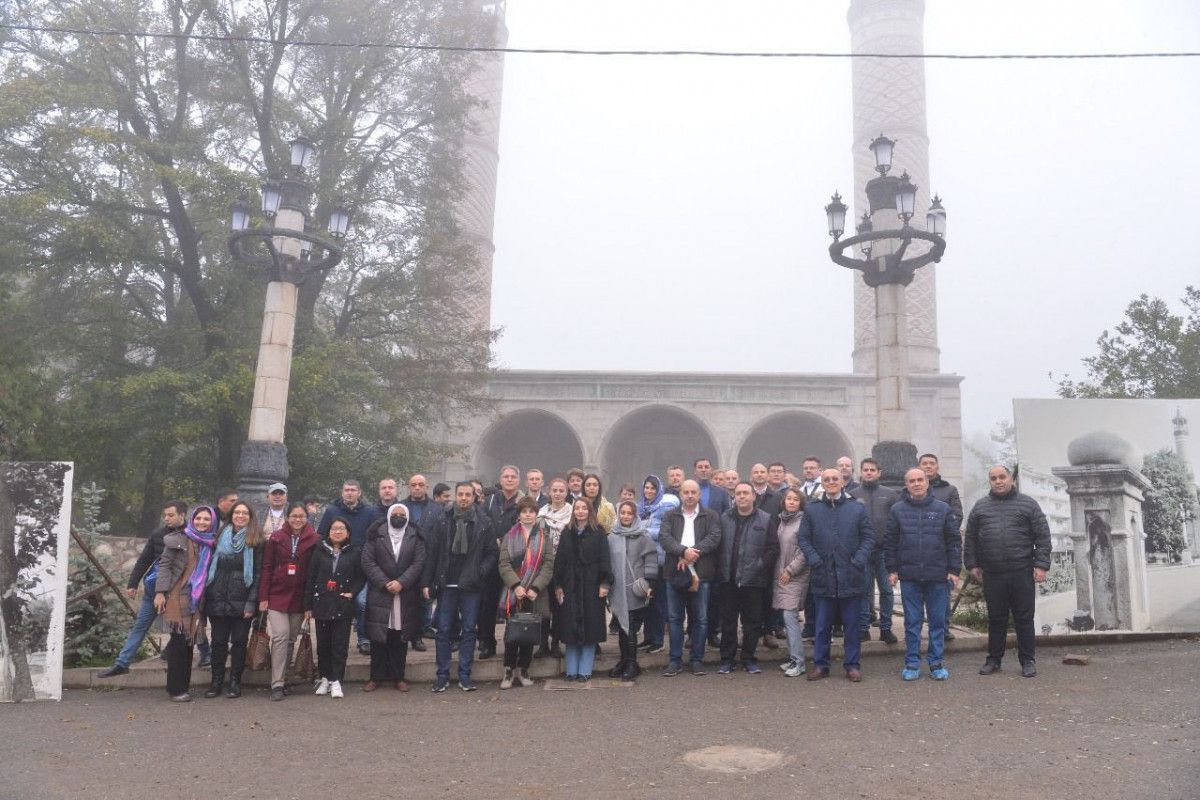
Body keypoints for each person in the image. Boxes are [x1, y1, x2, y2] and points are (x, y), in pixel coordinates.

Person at [964, 465, 1051, 678]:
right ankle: (994, 660)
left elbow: (1042, 537)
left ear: (1011, 479)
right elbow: (970, 539)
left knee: (1024, 618)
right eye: (993, 478)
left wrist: (1040, 565)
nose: (998, 481)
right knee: (996, 619)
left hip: (1022, 572)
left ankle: (1027, 660)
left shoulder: (1028, 504)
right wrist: (972, 564)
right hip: (993, 574)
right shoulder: (981, 507)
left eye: (1002, 477)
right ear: (990, 482)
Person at [886, 468, 962, 681]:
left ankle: (936, 663)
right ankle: (912, 663)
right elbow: (890, 542)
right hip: (909, 576)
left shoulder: (943, 509)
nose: (917, 484)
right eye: (912, 481)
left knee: (938, 622)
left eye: (920, 480)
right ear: (906, 485)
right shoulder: (897, 510)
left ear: (927, 483)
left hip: (937, 576)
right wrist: (891, 570)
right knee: (912, 622)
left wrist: (954, 570)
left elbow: (954, 541)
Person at [798, 469, 874, 682]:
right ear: (822, 483)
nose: (831, 482)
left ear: (842, 482)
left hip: (851, 575)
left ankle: (852, 665)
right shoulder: (812, 509)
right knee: (822, 627)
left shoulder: (856, 508)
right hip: (824, 575)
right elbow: (804, 538)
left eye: (835, 479)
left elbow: (868, 537)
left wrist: (859, 560)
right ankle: (821, 665)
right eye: (827, 480)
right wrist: (814, 559)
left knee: (852, 626)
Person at [99, 501, 187, 678]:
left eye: (171, 515)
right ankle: (122, 663)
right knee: (139, 626)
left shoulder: (190, 536)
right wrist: (133, 583)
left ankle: (205, 656)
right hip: (152, 591)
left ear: (182, 515)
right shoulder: (158, 535)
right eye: (165, 515)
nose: (166, 518)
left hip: (177, 593)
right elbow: (144, 560)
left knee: (184, 628)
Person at [425, 482, 498, 692]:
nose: (464, 498)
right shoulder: (443, 519)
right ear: (455, 496)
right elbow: (433, 551)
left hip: (471, 584)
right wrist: (427, 582)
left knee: (468, 630)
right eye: (460, 494)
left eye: (468, 494)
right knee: (444, 630)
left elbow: (492, 552)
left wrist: (480, 571)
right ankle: (442, 675)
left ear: (474, 497)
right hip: (447, 583)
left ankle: (465, 675)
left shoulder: (484, 522)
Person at [658, 479, 722, 676]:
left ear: (699, 495)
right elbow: (664, 537)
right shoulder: (670, 515)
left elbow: (714, 538)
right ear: (680, 494)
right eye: (686, 492)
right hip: (674, 572)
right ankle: (675, 660)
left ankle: (697, 660)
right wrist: (683, 551)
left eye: (693, 492)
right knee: (675, 618)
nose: (690, 495)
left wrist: (694, 553)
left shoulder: (711, 515)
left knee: (701, 619)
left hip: (701, 573)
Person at [154, 505, 217, 701]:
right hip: (178, 595)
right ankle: (176, 689)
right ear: (192, 519)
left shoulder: (212, 543)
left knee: (189, 642)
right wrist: (160, 592)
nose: (202, 522)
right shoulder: (179, 539)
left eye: (207, 519)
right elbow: (165, 566)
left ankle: (182, 685)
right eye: (198, 518)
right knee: (180, 641)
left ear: (212, 522)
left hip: (197, 599)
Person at [714, 482, 778, 675]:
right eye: (738, 493)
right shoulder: (724, 518)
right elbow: (717, 546)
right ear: (734, 497)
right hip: (728, 580)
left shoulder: (765, 520)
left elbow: (773, 548)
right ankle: (727, 660)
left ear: (753, 497)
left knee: (752, 623)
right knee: (728, 623)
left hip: (754, 581)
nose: (742, 496)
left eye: (745, 493)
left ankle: (749, 659)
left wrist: (759, 566)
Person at [361, 504, 426, 693]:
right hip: (380, 592)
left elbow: (419, 562)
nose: (398, 517)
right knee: (378, 636)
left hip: (405, 594)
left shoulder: (416, 535)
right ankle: (376, 677)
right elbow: (367, 561)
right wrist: (385, 582)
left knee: (400, 637)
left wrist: (402, 582)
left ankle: (399, 676)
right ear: (389, 516)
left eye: (402, 514)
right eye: (395, 514)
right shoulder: (376, 534)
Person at [258, 502, 319, 701]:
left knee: (291, 639)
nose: (297, 519)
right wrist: (264, 597)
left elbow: (314, 572)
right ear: (288, 517)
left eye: (301, 516)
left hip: (300, 597)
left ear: (306, 518)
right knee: (281, 636)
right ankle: (276, 684)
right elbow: (267, 567)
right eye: (294, 515)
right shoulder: (277, 538)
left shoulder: (315, 539)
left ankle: (283, 679)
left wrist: (310, 604)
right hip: (277, 594)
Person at [203, 501, 263, 699]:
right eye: (237, 512)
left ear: (250, 516)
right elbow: (210, 565)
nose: (240, 516)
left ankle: (235, 682)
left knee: (239, 642)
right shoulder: (220, 535)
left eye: (245, 513)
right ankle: (216, 681)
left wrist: (251, 603)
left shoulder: (257, 539)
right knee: (218, 643)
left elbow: (257, 575)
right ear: (231, 515)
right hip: (217, 596)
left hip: (242, 599)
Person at [497, 497, 555, 689]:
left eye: (531, 511)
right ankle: (508, 670)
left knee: (529, 633)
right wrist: (516, 585)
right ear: (519, 514)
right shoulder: (510, 536)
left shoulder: (544, 536)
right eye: (524, 511)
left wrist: (535, 587)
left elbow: (548, 564)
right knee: (512, 633)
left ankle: (523, 670)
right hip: (515, 592)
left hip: (534, 593)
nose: (528, 515)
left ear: (536, 514)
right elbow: (504, 564)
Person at [552, 498, 613, 682]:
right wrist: (558, 584)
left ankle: (585, 670)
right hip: (570, 586)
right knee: (570, 629)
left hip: (591, 585)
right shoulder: (567, 532)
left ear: (589, 511)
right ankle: (571, 670)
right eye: (577, 508)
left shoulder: (599, 533)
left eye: (583, 508)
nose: (580, 511)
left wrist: (605, 583)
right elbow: (560, 561)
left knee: (590, 628)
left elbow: (605, 560)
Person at [303, 518, 364, 699]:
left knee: (339, 645)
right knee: (323, 645)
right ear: (328, 531)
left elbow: (361, 577)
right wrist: (308, 605)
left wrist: (352, 593)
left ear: (348, 532)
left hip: (342, 605)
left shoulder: (354, 552)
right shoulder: (319, 550)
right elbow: (310, 578)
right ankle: (324, 678)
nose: (338, 532)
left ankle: (337, 680)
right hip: (322, 604)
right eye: (334, 528)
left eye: (341, 529)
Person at [317, 479, 376, 655]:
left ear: (359, 493)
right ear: (342, 492)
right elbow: (321, 535)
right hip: (335, 564)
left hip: (359, 565)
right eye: (346, 490)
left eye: (353, 490)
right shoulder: (331, 511)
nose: (349, 493)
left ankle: (363, 638)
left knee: (361, 602)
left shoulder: (369, 512)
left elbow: (373, 537)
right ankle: (330, 642)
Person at [607, 500, 657, 681]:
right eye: (623, 513)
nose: (626, 516)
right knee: (621, 627)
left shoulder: (643, 536)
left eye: (630, 513)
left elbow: (651, 560)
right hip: (618, 591)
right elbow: (608, 563)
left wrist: (649, 584)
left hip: (636, 591)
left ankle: (632, 663)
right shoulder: (611, 536)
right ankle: (624, 660)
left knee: (631, 629)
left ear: (635, 516)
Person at [919, 453, 965, 641]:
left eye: (932, 463)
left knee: (942, 593)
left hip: (941, 550)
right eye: (924, 464)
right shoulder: (912, 491)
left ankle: (943, 628)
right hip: (917, 549)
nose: (928, 466)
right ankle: (916, 630)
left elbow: (957, 516)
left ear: (937, 467)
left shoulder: (949, 490)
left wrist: (936, 531)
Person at [854, 458, 900, 645]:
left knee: (886, 591)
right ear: (861, 472)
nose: (869, 472)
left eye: (873, 469)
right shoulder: (852, 495)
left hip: (884, 551)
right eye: (866, 469)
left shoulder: (890, 495)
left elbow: (897, 522)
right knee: (864, 591)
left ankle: (886, 628)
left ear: (879, 472)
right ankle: (863, 628)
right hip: (862, 551)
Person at [481, 465, 523, 660]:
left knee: (511, 605)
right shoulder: (489, 501)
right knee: (487, 605)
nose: (509, 480)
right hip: (491, 560)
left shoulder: (523, 502)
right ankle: (487, 643)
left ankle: (511, 644)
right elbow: (482, 525)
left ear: (518, 480)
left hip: (513, 563)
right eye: (506, 476)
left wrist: (505, 542)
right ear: (500, 478)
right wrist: (493, 542)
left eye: (513, 477)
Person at [636, 475, 679, 654]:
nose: (649, 491)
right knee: (646, 601)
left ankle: (658, 640)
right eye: (646, 488)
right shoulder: (642, 507)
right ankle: (648, 637)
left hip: (660, 560)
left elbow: (664, 532)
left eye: (653, 488)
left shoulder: (665, 508)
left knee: (658, 601)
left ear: (659, 489)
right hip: (643, 559)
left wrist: (643, 530)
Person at [771, 487, 810, 677]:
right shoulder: (783, 520)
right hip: (782, 574)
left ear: (801, 502)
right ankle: (793, 658)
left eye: (796, 499)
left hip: (795, 574)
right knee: (787, 618)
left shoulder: (803, 522)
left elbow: (804, 552)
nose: (792, 502)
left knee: (790, 617)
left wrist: (790, 570)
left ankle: (799, 662)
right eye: (789, 499)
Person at [536, 477, 573, 657]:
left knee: (559, 606)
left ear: (566, 493)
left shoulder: (572, 513)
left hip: (563, 566)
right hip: (543, 566)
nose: (558, 493)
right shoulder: (541, 513)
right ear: (549, 492)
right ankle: (543, 643)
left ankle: (556, 643)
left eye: (561, 490)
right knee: (544, 606)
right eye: (554, 490)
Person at [402, 474, 437, 649]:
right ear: (409, 487)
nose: (417, 487)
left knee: (424, 600)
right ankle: (403, 634)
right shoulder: (399, 507)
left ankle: (418, 635)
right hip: (404, 561)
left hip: (428, 561)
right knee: (406, 601)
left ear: (427, 487)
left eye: (420, 484)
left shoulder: (437, 508)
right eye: (413, 484)